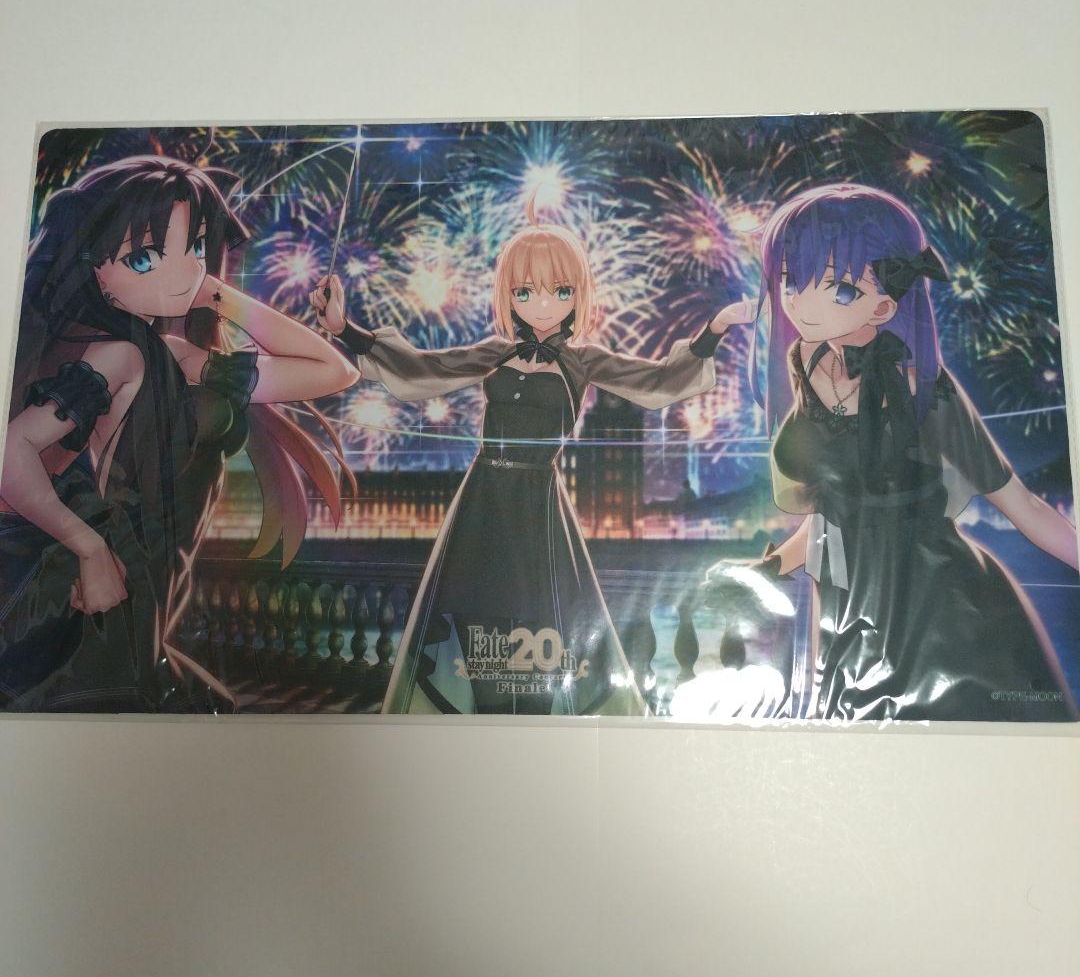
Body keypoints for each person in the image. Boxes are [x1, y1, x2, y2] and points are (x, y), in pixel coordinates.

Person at [312, 194, 754, 714]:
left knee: (545, 622)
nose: (542, 304)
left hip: (539, 502)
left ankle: (537, 722)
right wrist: (344, 329)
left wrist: (714, 330)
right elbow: (421, 369)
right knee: (473, 616)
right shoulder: (494, 353)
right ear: (509, 296)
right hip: (481, 499)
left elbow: (658, 381)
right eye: (525, 291)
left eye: (559, 290)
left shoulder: (584, 360)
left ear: (577, 295)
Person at [0, 155, 358, 711]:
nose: (181, 273)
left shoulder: (175, 355)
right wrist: (89, 549)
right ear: (93, 269)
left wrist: (209, 288)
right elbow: (13, 449)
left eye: (196, 247)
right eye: (143, 258)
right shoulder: (115, 355)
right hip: (109, 589)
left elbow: (332, 371)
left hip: (155, 586)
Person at [710, 182, 1078, 721]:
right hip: (851, 622)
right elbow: (833, 512)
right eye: (791, 279)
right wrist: (766, 571)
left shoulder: (926, 390)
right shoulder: (806, 365)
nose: (801, 302)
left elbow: (1022, 505)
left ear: (884, 304)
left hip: (947, 623)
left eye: (839, 290)